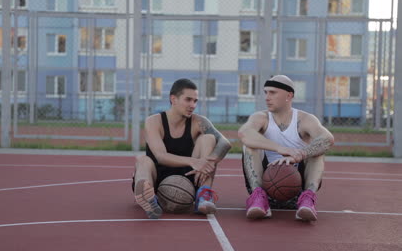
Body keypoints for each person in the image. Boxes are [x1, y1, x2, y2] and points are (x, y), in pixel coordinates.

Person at [238, 75, 334, 221]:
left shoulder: (305, 119)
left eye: (273, 92)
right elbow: (244, 134)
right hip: (266, 188)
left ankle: (307, 199)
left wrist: (300, 154)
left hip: (296, 191)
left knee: (318, 150)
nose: (267, 97)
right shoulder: (260, 117)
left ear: (289, 95)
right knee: (249, 146)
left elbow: (327, 138)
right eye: (266, 92)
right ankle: (258, 198)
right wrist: (281, 148)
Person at [132, 78, 231, 219]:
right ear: (173, 99)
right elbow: (161, 156)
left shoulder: (199, 121)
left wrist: (209, 162)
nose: (193, 105)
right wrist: (193, 161)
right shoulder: (154, 121)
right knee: (142, 159)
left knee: (209, 138)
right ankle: (148, 196)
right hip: (158, 178)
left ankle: (203, 195)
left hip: (188, 178)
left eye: (195, 101)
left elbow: (225, 142)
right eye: (188, 100)